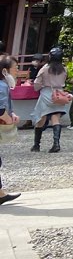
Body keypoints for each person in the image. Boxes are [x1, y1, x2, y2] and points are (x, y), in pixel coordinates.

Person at [30, 46, 69, 152]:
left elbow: (37, 83)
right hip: (59, 94)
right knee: (56, 118)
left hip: (47, 93)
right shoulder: (64, 69)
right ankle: (56, 143)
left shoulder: (45, 69)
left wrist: (39, 87)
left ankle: (36, 145)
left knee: (41, 119)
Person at [0, 57, 19, 205]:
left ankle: (0, 194)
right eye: (15, 68)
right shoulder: (2, 85)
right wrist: (8, 119)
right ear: (5, 71)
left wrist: (11, 114)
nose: (17, 72)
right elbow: (0, 110)